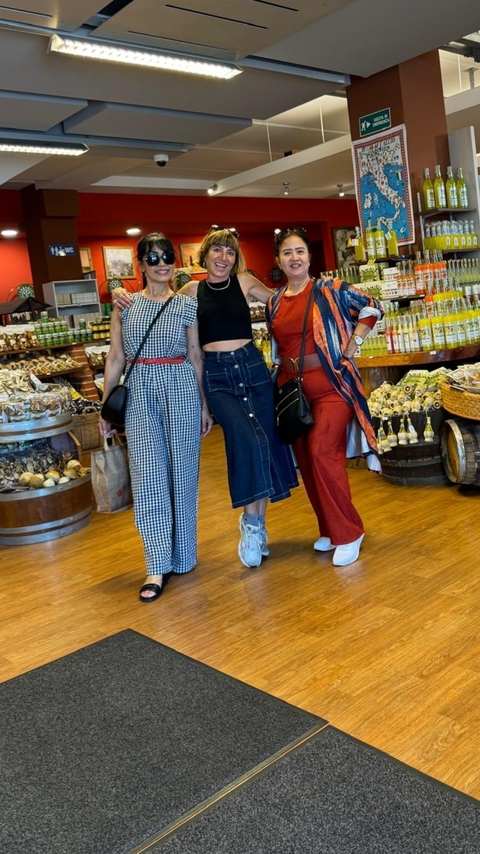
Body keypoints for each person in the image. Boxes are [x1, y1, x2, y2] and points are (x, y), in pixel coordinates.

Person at [112, 227, 298, 569]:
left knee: (263, 440)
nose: (223, 257)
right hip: (217, 376)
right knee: (244, 439)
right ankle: (252, 523)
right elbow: (158, 306)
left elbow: (283, 301)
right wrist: (121, 296)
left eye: (229, 252)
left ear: (235, 257)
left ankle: (255, 525)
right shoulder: (190, 291)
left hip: (252, 369)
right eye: (217, 251)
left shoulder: (244, 282)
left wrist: (306, 284)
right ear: (206, 255)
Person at [100, 233, 213, 602]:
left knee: (183, 473)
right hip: (140, 392)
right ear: (141, 264)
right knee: (148, 476)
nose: (162, 263)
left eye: (167, 256)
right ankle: (156, 564)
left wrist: (203, 406)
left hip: (180, 386)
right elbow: (115, 358)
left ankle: (183, 555)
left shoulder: (185, 305)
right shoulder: (125, 305)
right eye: (153, 257)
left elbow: (196, 356)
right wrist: (105, 408)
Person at [265, 227, 384, 568]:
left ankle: (349, 532)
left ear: (309, 256)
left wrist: (356, 340)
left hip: (333, 384)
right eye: (287, 253)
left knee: (321, 450)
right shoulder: (274, 301)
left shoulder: (330, 289)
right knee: (305, 457)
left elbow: (372, 306)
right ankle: (331, 529)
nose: (294, 258)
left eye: (299, 251)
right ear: (279, 261)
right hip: (293, 389)